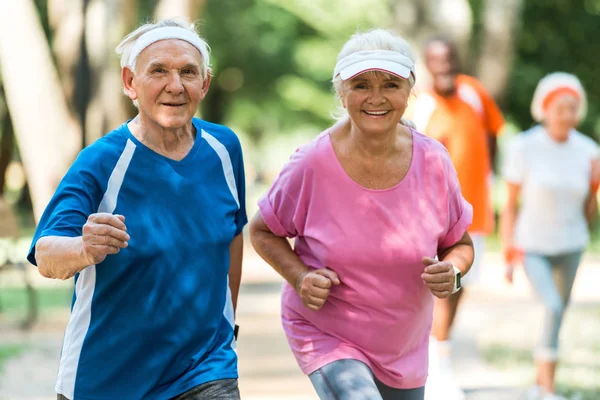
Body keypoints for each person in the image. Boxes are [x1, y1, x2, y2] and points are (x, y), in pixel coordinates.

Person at [27, 18, 247, 400]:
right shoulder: (101, 161)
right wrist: (82, 248)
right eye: (158, 71)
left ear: (204, 84)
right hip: (108, 378)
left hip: (206, 368)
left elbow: (232, 234)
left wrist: (226, 324)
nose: (174, 86)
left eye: (187, 73)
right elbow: (46, 254)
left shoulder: (224, 148)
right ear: (130, 82)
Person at [249, 28, 474, 400]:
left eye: (390, 84)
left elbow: (459, 244)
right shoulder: (312, 163)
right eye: (361, 85)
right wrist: (300, 276)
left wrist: (452, 271)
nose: (376, 97)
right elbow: (262, 231)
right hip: (327, 333)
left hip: (403, 345)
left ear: (410, 90)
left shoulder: (434, 161)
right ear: (341, 92)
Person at [411, 36, 505, 400]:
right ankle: (436, 369)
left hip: (473, 208)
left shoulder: (474, 93)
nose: (443, 66)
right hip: (432, 213)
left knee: (459, 286)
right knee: (439, 287)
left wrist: (486, 175)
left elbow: (494, 134)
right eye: (435, 60)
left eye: (448, 59)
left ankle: (440, 357)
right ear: (428, 65)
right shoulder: (421, 103)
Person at [501, 72, 599, 400]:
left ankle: (540, 385)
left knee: (556, 314)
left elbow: (588, 211)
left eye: (573, 108)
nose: (567, 115)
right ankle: (548, 389)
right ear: (544, 109)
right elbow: (511, 203)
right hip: (533, 246)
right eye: (560, 108)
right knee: (553, 306)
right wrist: (508, 250)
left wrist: (595, 187)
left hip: (571, 245)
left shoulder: (588, 150)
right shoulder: (525, 146)